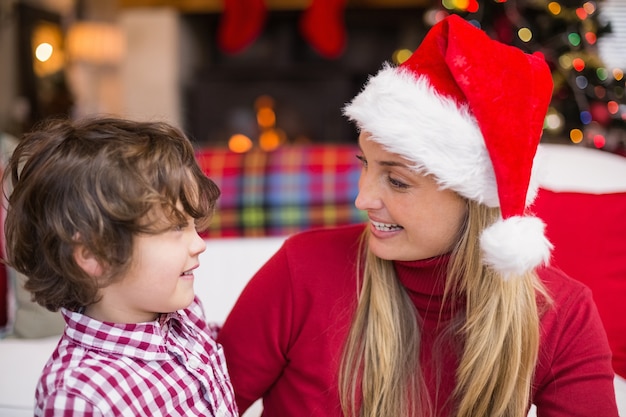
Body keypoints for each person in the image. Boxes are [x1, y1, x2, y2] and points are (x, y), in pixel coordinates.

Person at [216, 14, 619, 417]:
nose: (363, 198)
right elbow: (204, 405)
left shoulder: (562, 316)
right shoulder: (301, 270)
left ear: (474, 198)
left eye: (397, 181)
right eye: (366, 165)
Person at [2, 117, 238, 417]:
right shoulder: (79, 397)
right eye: (176, 227)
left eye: (194, 225)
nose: (199, 244)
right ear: (95, 255)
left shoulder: (185, 314)